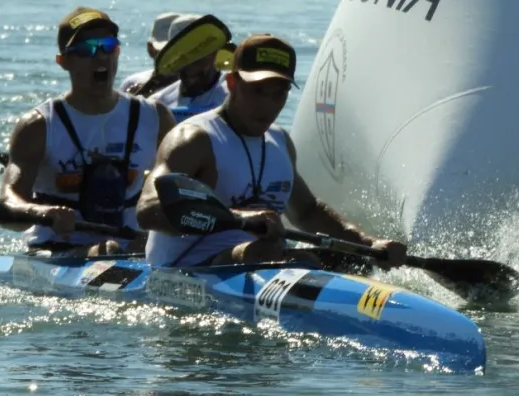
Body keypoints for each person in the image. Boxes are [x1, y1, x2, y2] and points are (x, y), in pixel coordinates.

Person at [136, 34, 407, 269]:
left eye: (279, 93)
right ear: (232, 83)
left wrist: (368, 243)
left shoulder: (280, 141)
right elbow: (147, 210)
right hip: (186, 270)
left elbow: (307, 212)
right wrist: (238, 218)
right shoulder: (194, 139)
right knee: (271, 254)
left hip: (260, 262)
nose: (268, 104)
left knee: (350, 260)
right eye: (257, 91)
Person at [0, 7, 176, 258]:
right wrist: (42, 213)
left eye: (107, 45)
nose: (100, 56)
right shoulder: (38, 126)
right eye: (85, 49)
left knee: (117, 249)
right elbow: (8, 201)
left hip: (132, 250)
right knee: (109, 250)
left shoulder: (155, 117)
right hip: (57, 251)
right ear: (63, 61)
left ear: (118, 51)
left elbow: (184, 189)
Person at [149, 13, 230, 111]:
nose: (190, 66)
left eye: (198, 56)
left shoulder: (235, 97)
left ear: (214, 53)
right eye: (181, 58)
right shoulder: (159, 104)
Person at [120, 11, 181, 94]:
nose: (172, 57)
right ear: (150, 49)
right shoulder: (130, 84)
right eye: (164, 51)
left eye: (176, 51)